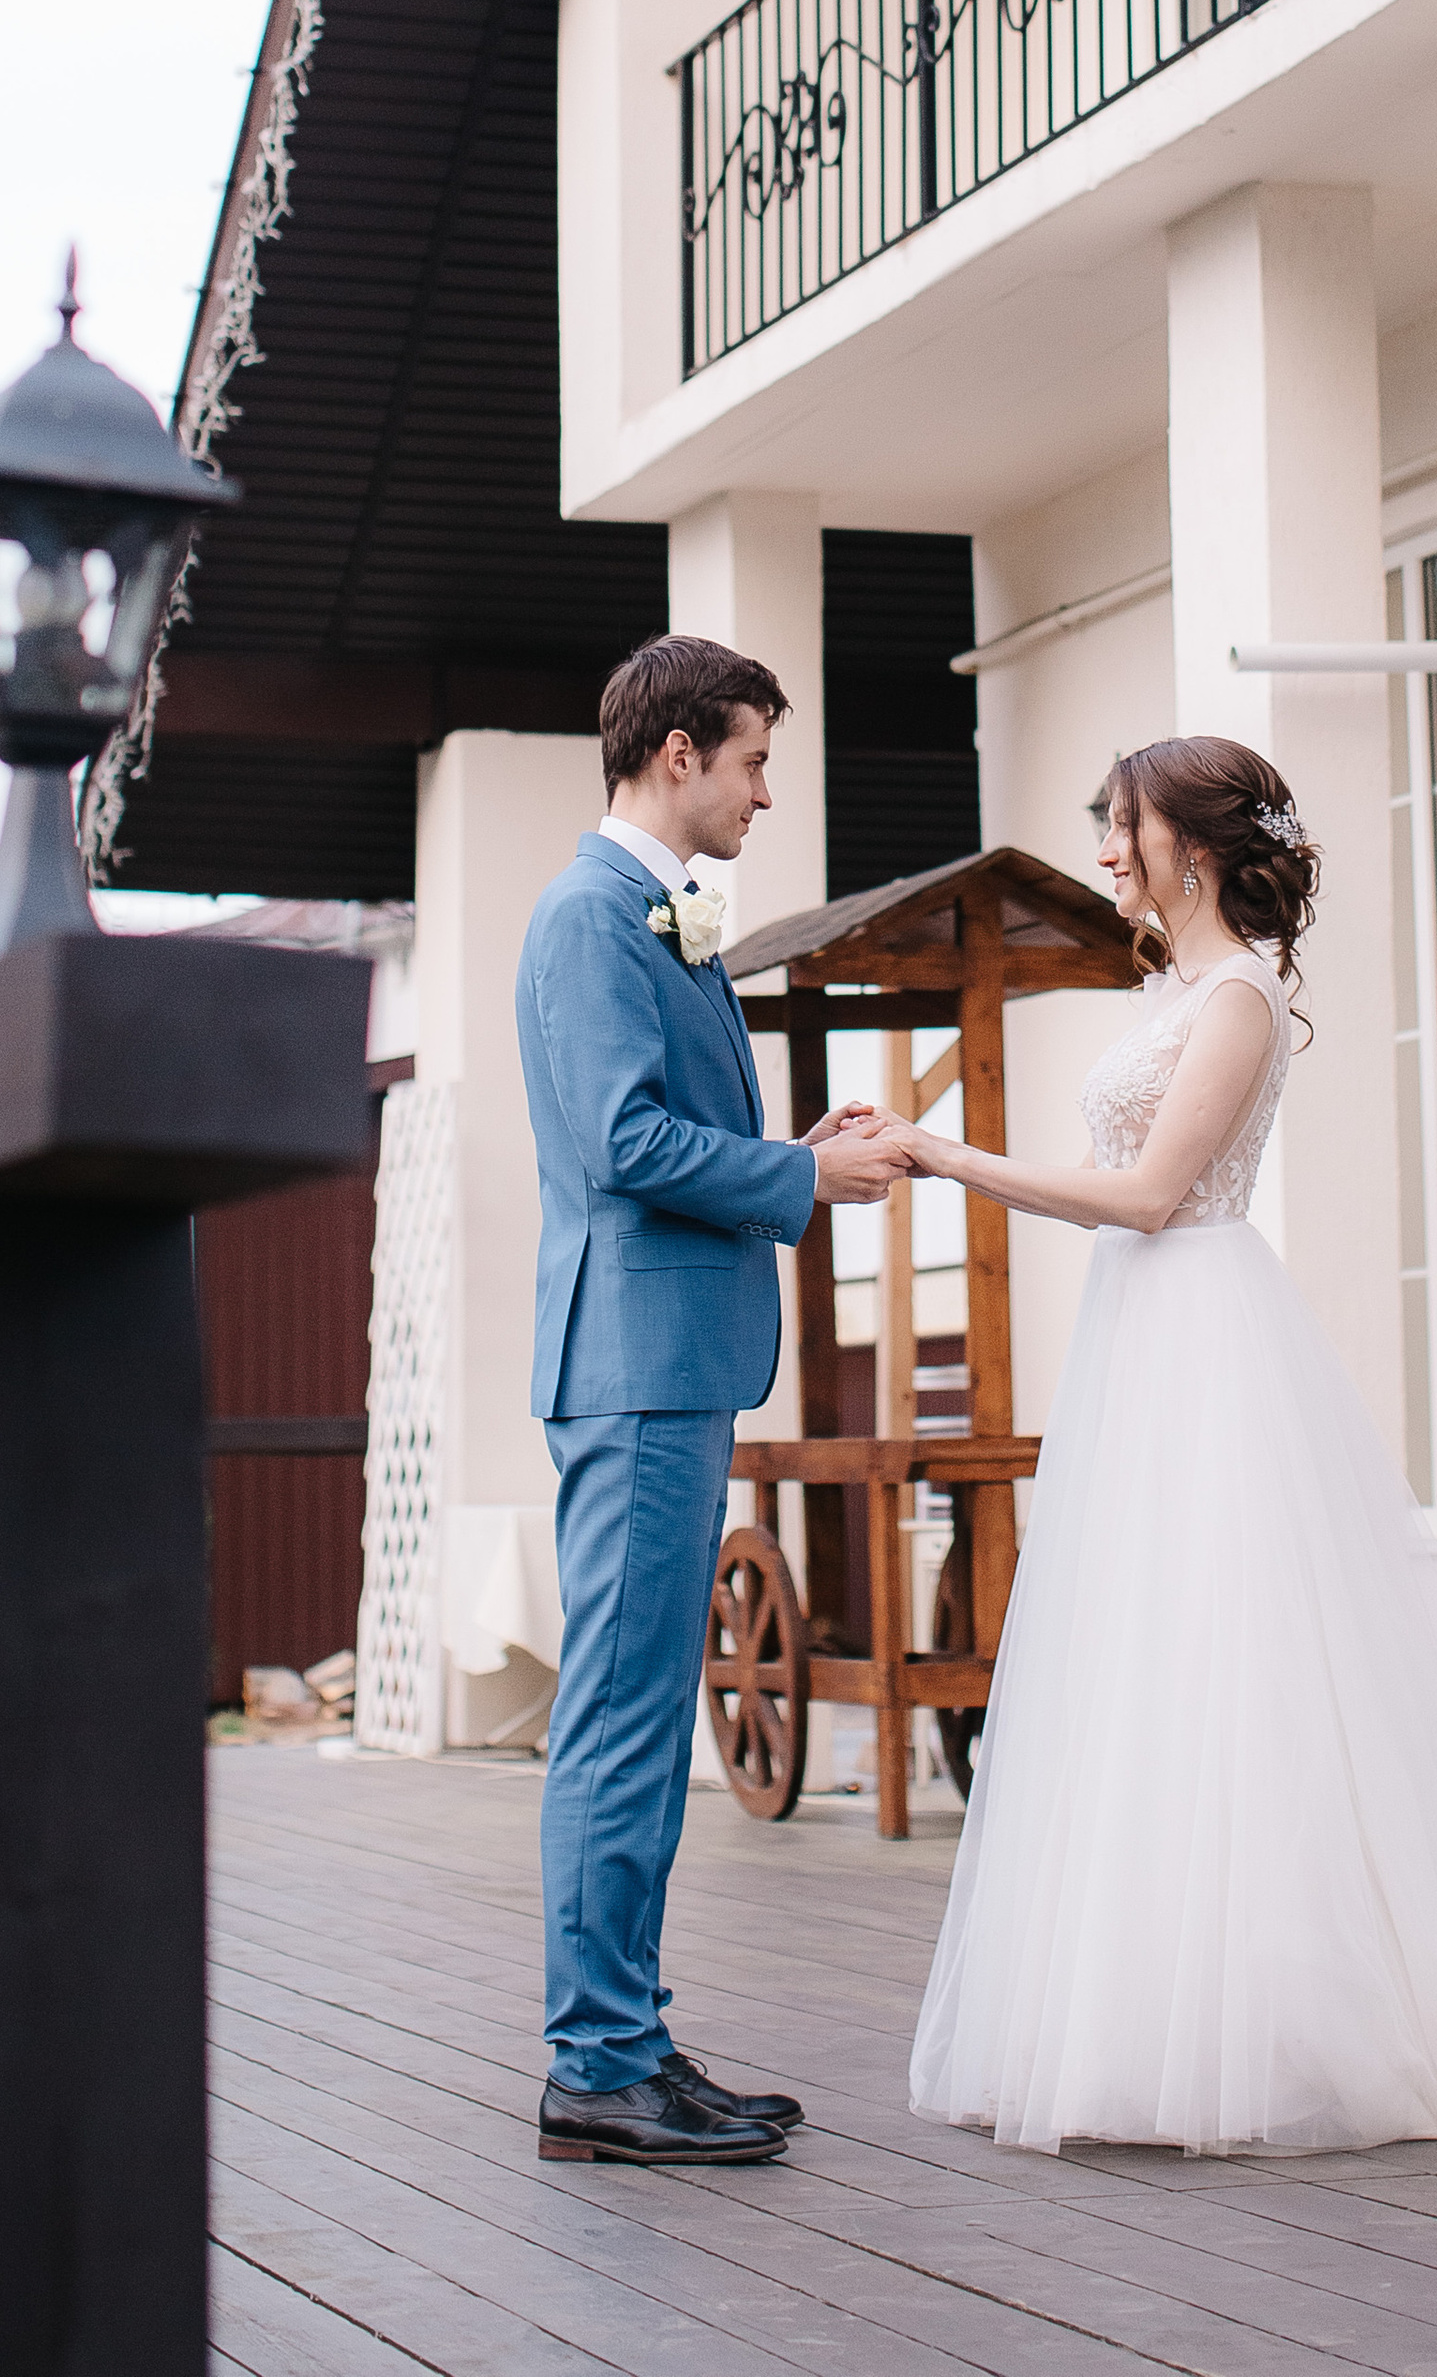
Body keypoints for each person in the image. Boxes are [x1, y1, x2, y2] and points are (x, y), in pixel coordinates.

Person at [875, 733, 1437, 2159]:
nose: (1105, 852)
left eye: (1121, 829)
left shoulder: (1238, 998)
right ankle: (1145, 2013)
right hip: (1141, 1345)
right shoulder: (1179, 987)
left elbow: (1154, 1195)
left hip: (1202, 1333)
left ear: (1193, 850)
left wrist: (947, 1155)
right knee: (1144, 1667)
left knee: (1239, 1668)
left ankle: (1278, 2023)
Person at [517, 632, 910, 2167]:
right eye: (752, 758)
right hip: (631, 1369)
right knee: (619, 1719)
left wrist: (793, 1146)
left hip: (661, 1365)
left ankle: (631, 2041)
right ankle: (598, 2066)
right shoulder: (594, 915)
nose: (765, 789)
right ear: (676, 753)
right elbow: (622, 1145)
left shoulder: (641, 917)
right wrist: (805, 1177)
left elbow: (663, 1131)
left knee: (636, 1712)